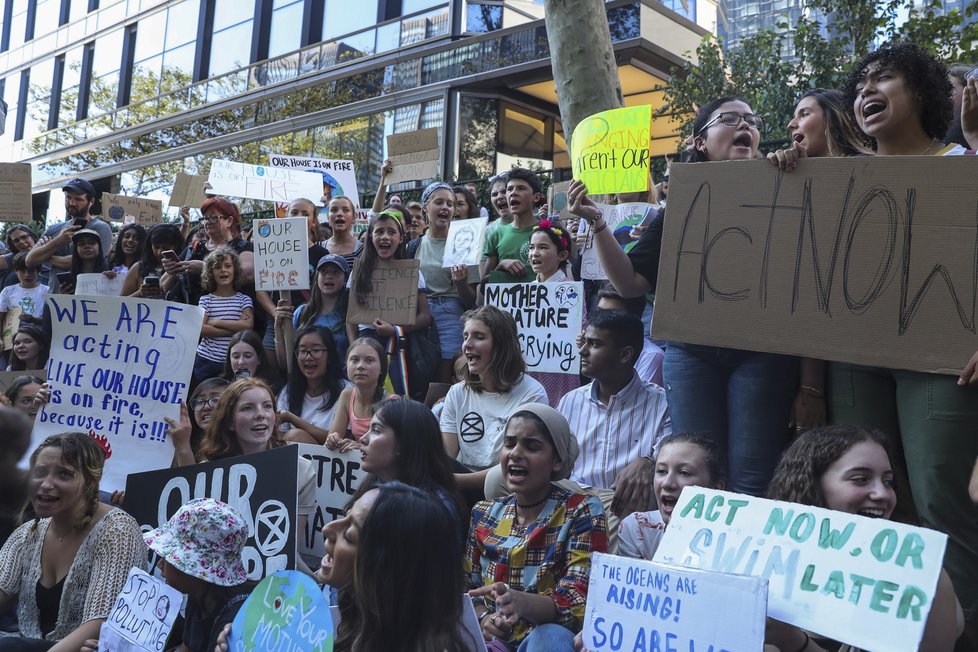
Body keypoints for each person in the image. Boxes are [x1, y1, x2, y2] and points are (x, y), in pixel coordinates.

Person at [569, 98, 799, 497]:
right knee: (696, 474)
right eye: (728, 119)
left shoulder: (786, 183)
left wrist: (800, 166)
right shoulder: (678, 208)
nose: (743, 124)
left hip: (760, 353)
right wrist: (597, 221)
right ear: (700, 142)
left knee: (750, 475)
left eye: (751, 120)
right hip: (693, 354)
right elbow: (630, 283)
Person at [840, 44, 978, 639]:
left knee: (940, 500)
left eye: (885, 77)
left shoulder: (965, 162)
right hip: (854, 361)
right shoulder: (834, 179)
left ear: (921, 91)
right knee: (858, 503)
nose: (868, 89)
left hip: (941, 363)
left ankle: (961, 634)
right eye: (860, 82)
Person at [765, 426, 964, 652]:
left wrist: (794, 643)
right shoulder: (771, 565)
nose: (882, 494)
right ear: (812, 486)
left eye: (888, 481)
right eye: (860, 479)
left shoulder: (923, 580)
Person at [217, 482, 472, 652]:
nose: (328, 529)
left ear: (386, 571)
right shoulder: (339, 624)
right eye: (345, 514)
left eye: (349, 535)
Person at [765, 88, 870, 435]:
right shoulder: (791, 180)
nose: (792, 122)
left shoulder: (877, 174)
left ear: (834, 118)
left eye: (804, 113)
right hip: (828, 357)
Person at [467, 404, 606, 651]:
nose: (515, 454)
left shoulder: (581, 510)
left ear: (557, 461)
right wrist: (484, 618)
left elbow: (581, 601)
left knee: (550, 637)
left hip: (545, 639)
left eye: (531, 447)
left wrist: (522, 604)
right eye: (509, 444)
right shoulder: (483, 512)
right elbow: (468, 587)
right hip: (490, 642)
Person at [0, 432, 147, 651]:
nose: (47, 484)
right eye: (39, 473)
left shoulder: (118, 531)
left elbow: (101, 622)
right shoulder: (27, 534)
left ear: (90, 482)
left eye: (64, 474)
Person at [550, 309, 671, 551]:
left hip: (623, 505)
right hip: (572, 498)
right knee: (499, 479)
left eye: (594, 344)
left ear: (625, 354)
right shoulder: (570, 401)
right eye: (584, 342)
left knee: (625, 517)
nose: (582, 351)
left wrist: (649, 460)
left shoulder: (662, 403)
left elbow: (668, 461)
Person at [176, 378, 317, 575]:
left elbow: (288, 546)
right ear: (229, 422)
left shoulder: (301, 469)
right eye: (248, 408)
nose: (260, 415)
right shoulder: (209, 472)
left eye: (267, 407)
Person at [440, 306, 548, 496]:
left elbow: (516, 465)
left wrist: (451, 481)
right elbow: (447, 456)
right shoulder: (457, 392)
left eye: (479, 337)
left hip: (506, 486)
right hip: (459, 485)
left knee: (497, 479)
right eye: (465, 337)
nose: (467, 345)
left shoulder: (532, 393)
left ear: (501, 345)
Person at [142, 498, 252, 652]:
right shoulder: (198, 599)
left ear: (196, 570)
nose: (160, 564)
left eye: (168, 557)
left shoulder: (236, 623)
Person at [348, 210, 432, 397]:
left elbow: (425, 316)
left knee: (396, 395)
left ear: (401, 238)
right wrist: (354, 347)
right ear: (371, 236)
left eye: (391, 232)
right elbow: (351, 318)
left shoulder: (412, 272)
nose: (385, 237)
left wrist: (395, 330)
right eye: (379, 232)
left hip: (399, 345)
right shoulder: (358, 272)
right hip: (366, 341)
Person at [352, 398, 465, 527]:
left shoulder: (432, 510)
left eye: (376, 431)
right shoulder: (372, 487)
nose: (362, 439)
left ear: (405, 443)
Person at [410, 182, 479, 383]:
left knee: (446, 375)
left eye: (450, 204)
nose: (445, 208)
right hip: (419, 314)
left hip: (451, 314)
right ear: (425, 207)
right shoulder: (413, 246)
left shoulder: (465, 242)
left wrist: (460, 284)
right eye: (438, 202)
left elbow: (471, 300)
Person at [618, 432, 726, 560]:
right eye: (662, 471)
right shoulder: (636, 528)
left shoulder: (737, 539)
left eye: (684, 473)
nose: (667, 483)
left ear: (716, 488)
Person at [254, 197, 328, 374]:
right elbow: (262, 290)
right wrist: (277, 314)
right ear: (285, 216)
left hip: (309, 320)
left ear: (313, 222)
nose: (298, 216)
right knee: (276, 371)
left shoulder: (321, 253)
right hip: (277, 323)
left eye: (305, 214)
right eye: (294, 212)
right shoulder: (271, 247)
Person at [525, 219, 580, 405]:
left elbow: (581, 326)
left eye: (543, 247)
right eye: (531, 247)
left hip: (559, 367)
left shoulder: (570, 289)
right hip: (529, 365)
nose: (534, 253)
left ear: (562, 254)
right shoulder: (526, 290)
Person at [168, 197, 255, 307]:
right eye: (205, 218)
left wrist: (205, 268)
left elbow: (248, 275)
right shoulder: (194, 249)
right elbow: (163, 283)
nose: (208, 222)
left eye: (213, 218)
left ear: (229, 221)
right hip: (194, 317)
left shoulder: (243, 247)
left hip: (231, 317)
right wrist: (171, 269)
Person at [26, 179, 112, 278]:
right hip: (55, 291)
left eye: (78, 199)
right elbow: (30, 260)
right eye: (68, 197)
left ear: (91, 201)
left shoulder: (100, 227)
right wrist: (58, 241)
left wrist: (46, 256)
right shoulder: (54, 228)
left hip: (85, 289)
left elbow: (90, 262)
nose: (72, 203)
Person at [277, 326, 348, 445]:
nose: (308, 357)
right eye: (303, 351)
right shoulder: (288, 391)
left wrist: (291, 418)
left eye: (316, 350)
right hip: (294, 460)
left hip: (332, 459)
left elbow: (337, 440)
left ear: (329, 355)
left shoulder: (347, 391)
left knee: (295, 436)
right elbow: (278, 435)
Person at [193, 247, 254, 384]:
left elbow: (247, 326)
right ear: (210, 272)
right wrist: (235, 329)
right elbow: (201, 329)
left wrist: (215, 322)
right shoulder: (205, 300)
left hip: (235, 361)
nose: (223, 270)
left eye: (228, 266)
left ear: (235, 270)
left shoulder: (244, 300)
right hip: (206, 360)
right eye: (217, 267)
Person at [326, 337, 392, 451]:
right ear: (346, 365)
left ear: (382, 368)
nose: (360, 366)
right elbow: (330, 444)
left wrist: (361, 448)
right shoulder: (347, 395)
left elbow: (392, 451)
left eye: (369, 360)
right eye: (355, 360)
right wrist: (332, 440)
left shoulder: (392, 403)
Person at [594, 286, 664, 387]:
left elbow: (639, 400)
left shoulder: (652, 356)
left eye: (610, 315)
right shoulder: (595, 349)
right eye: (599, 312)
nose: (600, 320)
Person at [287, 253, 351, 364]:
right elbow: (287, 359)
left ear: (345, 279)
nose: (329, 276)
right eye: (324, 271)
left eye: (335, 272)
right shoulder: (302, 312)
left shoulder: (351, 314)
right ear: (317, 277)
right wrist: (278, 328)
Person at [483, 168, 543, 285]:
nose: (513, 193)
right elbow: (484, 283)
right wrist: (501, 265)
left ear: (536, 197)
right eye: (509, 189)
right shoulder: (497, 234)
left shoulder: (549, 230)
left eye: (520, 188)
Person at [121, 223, 186, 299]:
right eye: (156, 247)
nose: (159, 252)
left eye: (165, 248)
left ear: (175, 246)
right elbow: (122, 301)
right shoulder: (138, 268)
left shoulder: (183, 268)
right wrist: (141, 293)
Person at [0, 253, 49, 349]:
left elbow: (51, 320)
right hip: (12, 341)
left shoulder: (47, 291)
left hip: (38, 339)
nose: (27, 275)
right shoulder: (8, 291)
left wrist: (33, 319)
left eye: (31, 271)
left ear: (38, 271)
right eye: (23, 271)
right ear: (16, 271)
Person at [58, 229, 107, 294]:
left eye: (92, 243)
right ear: (76, 250)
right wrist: (61, 297)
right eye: (82, 244)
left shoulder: (111, 274)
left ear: (99, 247)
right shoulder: (68, 280)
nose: (87, 246)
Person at [324, 196, 362, 270]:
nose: (339, 214)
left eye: (345, 210)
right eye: (334, 210)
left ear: (353, 217)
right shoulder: (319, 247)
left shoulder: (363, 250)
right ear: (328, 217)